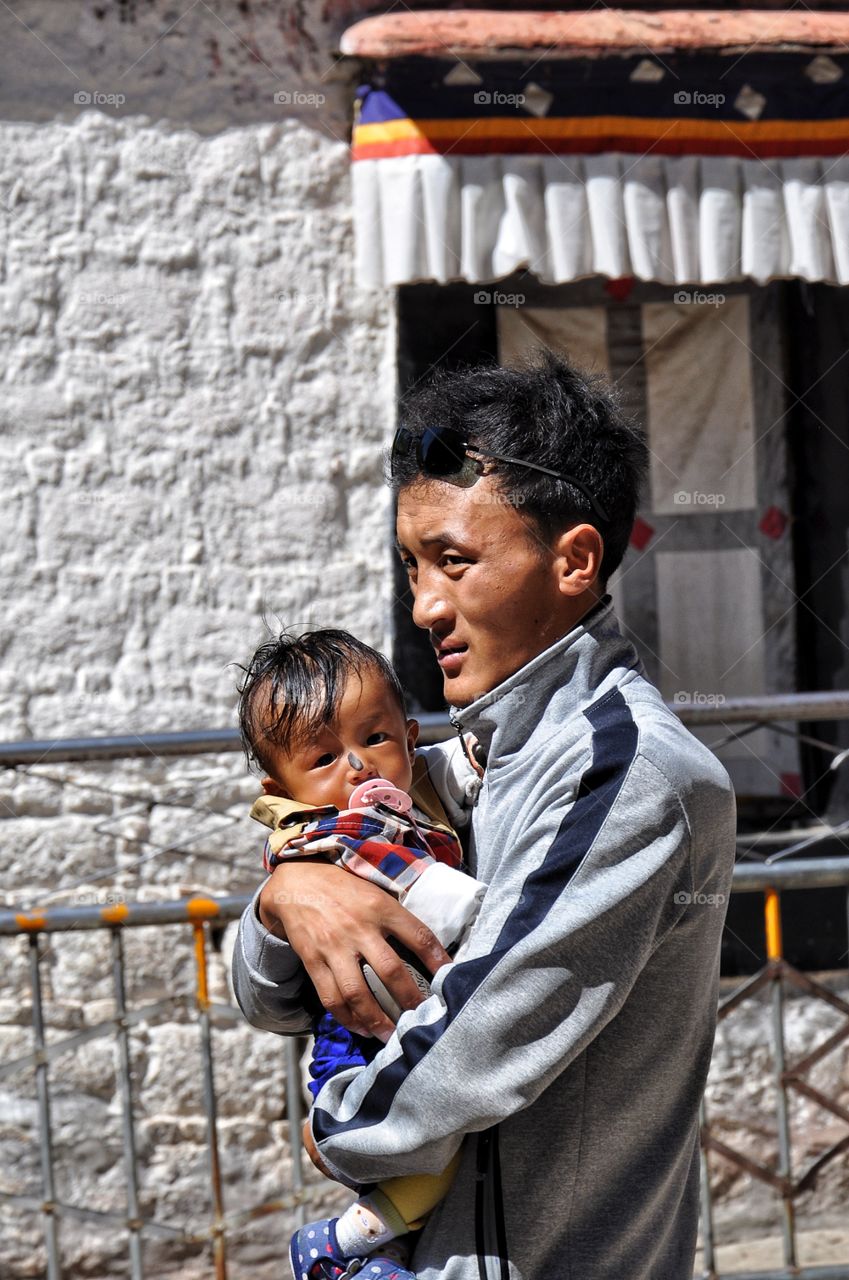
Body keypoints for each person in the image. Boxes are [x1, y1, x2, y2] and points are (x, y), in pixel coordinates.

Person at [232, 351, 737, 1279]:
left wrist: (341, 1128)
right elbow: (271, 993)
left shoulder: (625, 776)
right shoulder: (460, 762)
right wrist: (286, 898)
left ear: (573, 560)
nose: (423, 605)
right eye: (411, 565)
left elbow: (479, 1038)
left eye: (453, 561)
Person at [237, 629, 486, 1280]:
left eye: (374, 739)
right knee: (433, 1156)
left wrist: (481, 759)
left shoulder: (404, 789)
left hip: (408, 1025)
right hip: (361, 1039)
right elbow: (403, 874)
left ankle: (380, 1261)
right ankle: (337, 1243)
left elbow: (446, 772)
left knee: (430, 1165)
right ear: (280, 783)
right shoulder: (325, 833)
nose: (357, 766)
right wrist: (475, 914)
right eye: (322, 758)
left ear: (407, 734)